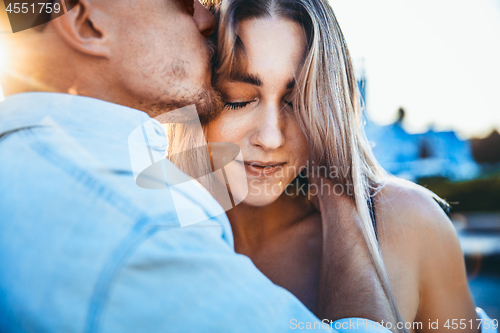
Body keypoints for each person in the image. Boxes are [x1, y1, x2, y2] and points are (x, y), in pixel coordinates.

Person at [0, 0, 397, 332]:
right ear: (87, 23)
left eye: (298, 102)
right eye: (183, 1)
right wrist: (343, 194)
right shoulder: (144, 230)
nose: (207, 18)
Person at [166, 0, 499, 332]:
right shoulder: (150, 229)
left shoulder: (407, 223)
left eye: (298, 103)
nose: (270, 137)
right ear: (192, 97)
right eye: (238, 99)